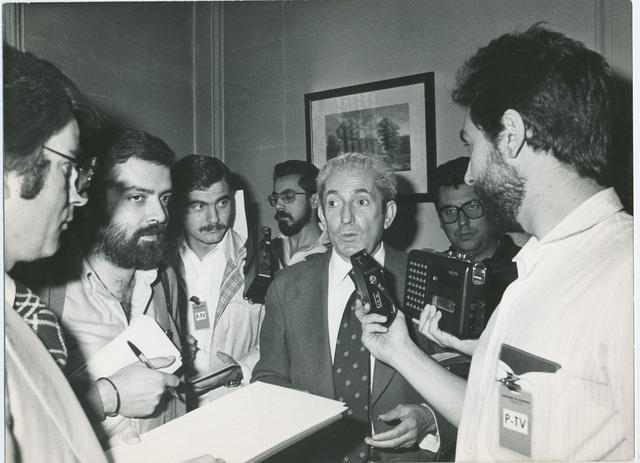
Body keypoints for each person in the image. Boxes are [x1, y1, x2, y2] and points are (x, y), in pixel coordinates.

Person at [357, 24, 633, 461]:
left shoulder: (626, 274)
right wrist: (400, 350)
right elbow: (491, 422)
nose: (470, 173)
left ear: (511, 134)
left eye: (472, 147)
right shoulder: (538, 266)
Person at [253, 152, 455, 463]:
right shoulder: (286, 287)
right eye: (333, 203)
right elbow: (268, 376)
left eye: (361, 202)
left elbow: (471, 380)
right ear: (322, 216)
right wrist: (293, 407)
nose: (346, 217)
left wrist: (429, 418)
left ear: (388, 214)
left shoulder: (429, 281)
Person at [21, 128, 186, 448]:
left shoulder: (165, 280)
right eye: (137, 197)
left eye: (164, 198)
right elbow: (18, 418)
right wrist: (108, 396)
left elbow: (178, 393)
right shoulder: (40, 290)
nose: (160, 215)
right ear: (93, 201)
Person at [166, 154, 265, 406]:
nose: (214, 218)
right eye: (198, 206)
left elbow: (282, 343)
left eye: (222, 203)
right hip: (176, 411)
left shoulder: (259, 262)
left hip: (238, 406)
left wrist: (241, 370)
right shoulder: (158, 267)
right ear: (177, 207)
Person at [430, 156, 520, 358]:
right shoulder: (433, 273)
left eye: (472, 207)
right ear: (440, 220)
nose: (462, 222)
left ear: (492, 209)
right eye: (449, 211)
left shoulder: (527, 268)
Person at [268, 160, 329, 266]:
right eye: (275, 198)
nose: (278, 205)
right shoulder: (269, 251)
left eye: (288, 197)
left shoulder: (332, 254)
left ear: (314, 200)